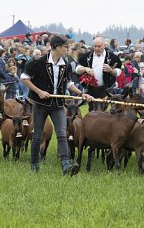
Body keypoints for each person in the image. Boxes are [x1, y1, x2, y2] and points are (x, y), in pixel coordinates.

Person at [20, 34, 94, 175]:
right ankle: (34, 166)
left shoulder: (65, 64)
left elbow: (68, 83)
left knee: (61, 134)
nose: (68, 49)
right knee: (37, 135)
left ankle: (66, 165)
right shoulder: (37, 63)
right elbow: (24, 78)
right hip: (41, 104)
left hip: (58, 105)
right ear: (58, 47)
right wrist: (39, 91)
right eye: (66, 47)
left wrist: (81, 94)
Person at [75, 37, 122, 110]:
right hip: (90, 89)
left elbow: (118, 71)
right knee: (92, 110)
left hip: (106, 89)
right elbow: (77, 70)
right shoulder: (86, 56)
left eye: (99, 46)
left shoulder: (113, 57)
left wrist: (111, 70)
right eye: (95, 46)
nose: (97, 48)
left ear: (104, 45)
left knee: (103, 110)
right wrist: (85, 69)